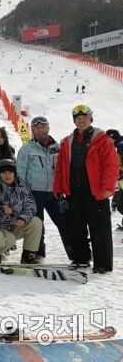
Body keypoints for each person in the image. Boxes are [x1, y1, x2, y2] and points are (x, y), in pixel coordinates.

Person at [53, 105, 117, 274]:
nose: (81, 121)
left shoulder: (102, 139)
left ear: (90, 119)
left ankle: (102, 263)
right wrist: (59, 187)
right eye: (77, 118)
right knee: (76, 226)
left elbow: (111, 165)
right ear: (74, 121)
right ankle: (81, 259)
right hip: (73, 191)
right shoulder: (67, 141)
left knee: (99, 227)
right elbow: (61, 167)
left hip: (95, 191)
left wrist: (108, 187)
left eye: (84, 118)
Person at [16, 116, 70, 260]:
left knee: (65, 222)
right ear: (32, 130)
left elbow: (64, 169)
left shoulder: (58, 148)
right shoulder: (27, 149)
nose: (41, 130)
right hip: (34, 192)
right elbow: (20, 173)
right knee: (37, 224)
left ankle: (76, 254)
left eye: (43, 127)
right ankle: (37, 253)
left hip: (55, 192)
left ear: (48, 128)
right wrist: (24, 194)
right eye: (37, 127)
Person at [0, 159, 42, 264]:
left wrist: (23, 217)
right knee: (2, 239)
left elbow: (31, 205)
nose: (7, 175)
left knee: (36, 222)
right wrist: (1, 209)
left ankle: (28, 256)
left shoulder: (22, 187)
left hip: (13, 225)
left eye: (10, 172)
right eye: (4, 173)